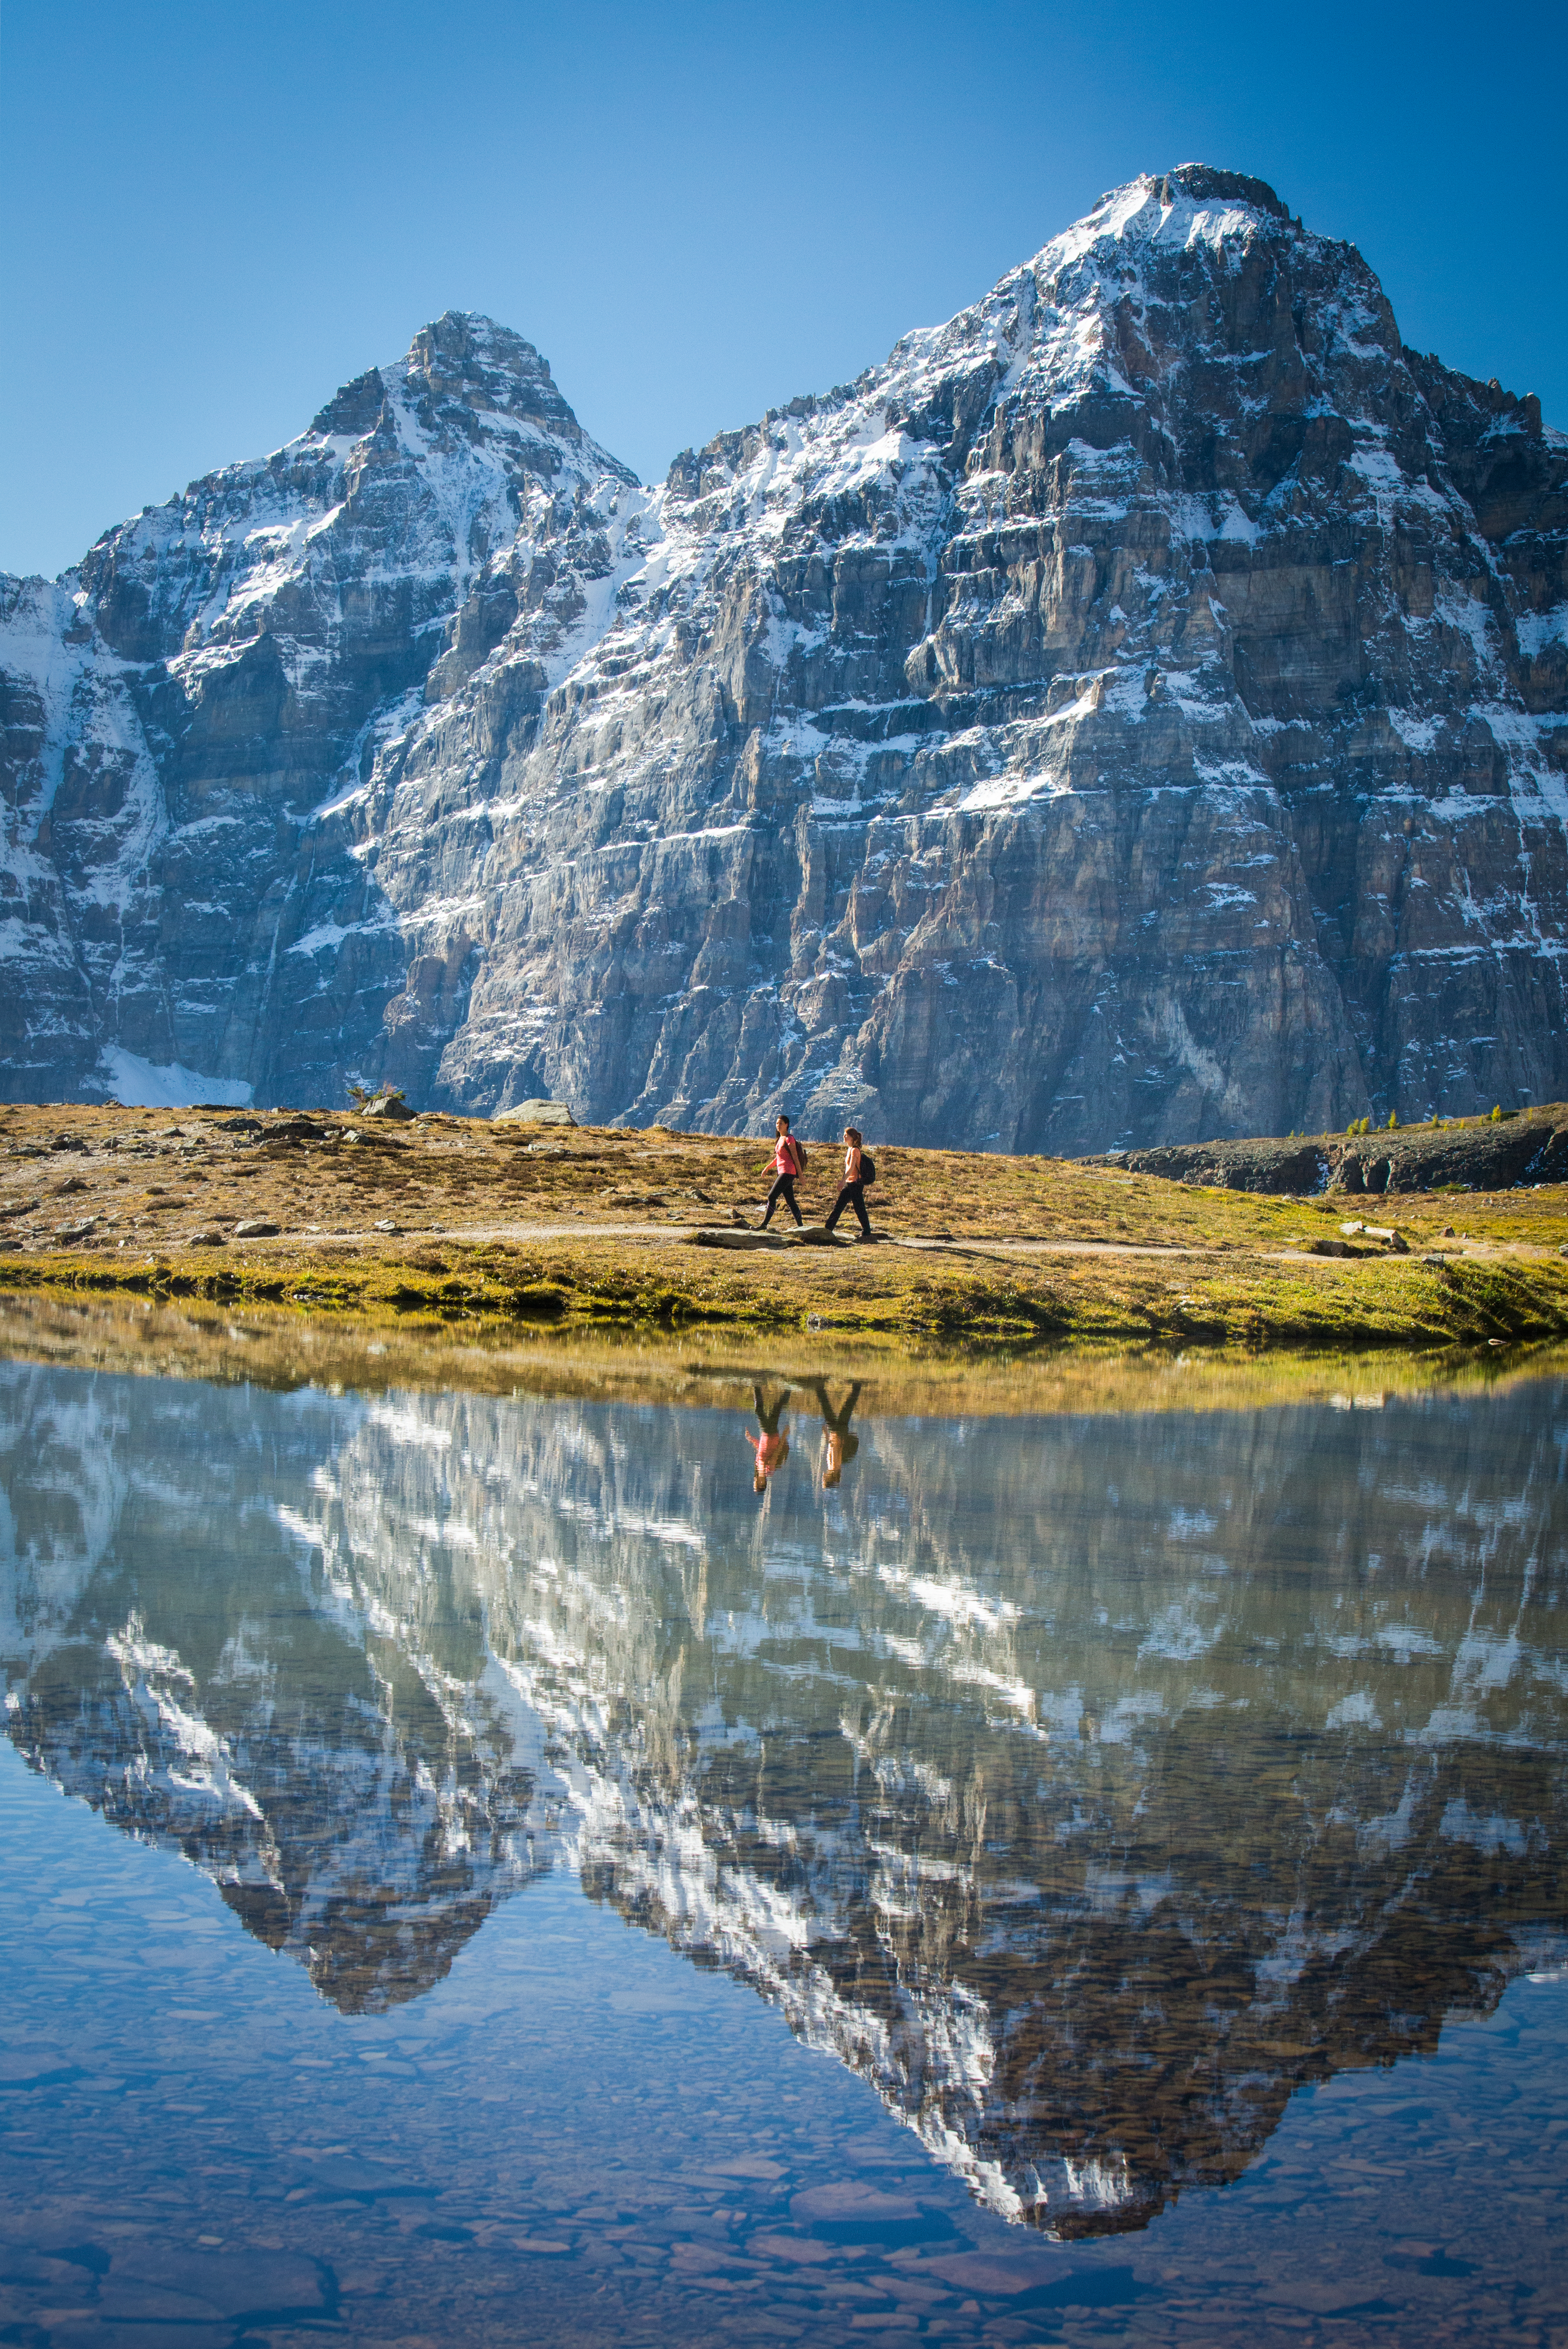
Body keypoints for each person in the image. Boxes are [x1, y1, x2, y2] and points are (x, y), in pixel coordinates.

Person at [805, 1378, 862, 1488]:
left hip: (838, 1433)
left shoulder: (836, 1467)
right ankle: (820, 1386)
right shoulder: (834, 1465)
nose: (823, 1477)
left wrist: (827, 1434)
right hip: (837, 1432)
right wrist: (829, 1434)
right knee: (829, 1407)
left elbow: (832, 1447)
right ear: (828, 1478)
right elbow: (835, 1448)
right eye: (824, 1480)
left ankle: (856, 1387)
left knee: (846, 1408)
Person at [823, 1125, 872, 1239]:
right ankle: (827, 1229)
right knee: (840, 1207)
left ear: (852, 1138)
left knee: (858, 1208)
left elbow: (851, 1169)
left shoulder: (855, 1150)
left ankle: (867, 1232)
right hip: (850, 1183)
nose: (844, 1137)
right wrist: (844, 1181)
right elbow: (848, 1169)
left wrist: (842, 1181)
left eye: (846, 1135)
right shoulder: (850, 1149)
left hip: (855, 1184)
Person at [760, 1114, 805, 1229]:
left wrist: (801, 1176)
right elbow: (778, 1158)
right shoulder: (780, 1139)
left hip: (788, 1172)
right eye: (777, 1123)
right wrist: (767, 1168)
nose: (778, 1126)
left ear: (787, 1125)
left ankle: (764, 1225)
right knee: (791, 1202)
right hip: (783, 1172)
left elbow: (795, 1158)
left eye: (780, 1123)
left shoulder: (790, 1139)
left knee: (771, 1197)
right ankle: (801, 1227)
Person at [744, 1384, 791, 1494]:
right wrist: (784, 1435)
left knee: (776, 1408)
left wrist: (751, 1439)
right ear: (763, 1483)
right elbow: (777, 1451)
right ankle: (757, 1385)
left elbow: (760, 1449)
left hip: (766, 1434)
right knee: (761, 1411)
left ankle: (788, 1391)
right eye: (758, 1485)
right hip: (772, 1435)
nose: (756, 1482)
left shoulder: (757, 1466)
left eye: (755, 1484)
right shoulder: (769, 1471)